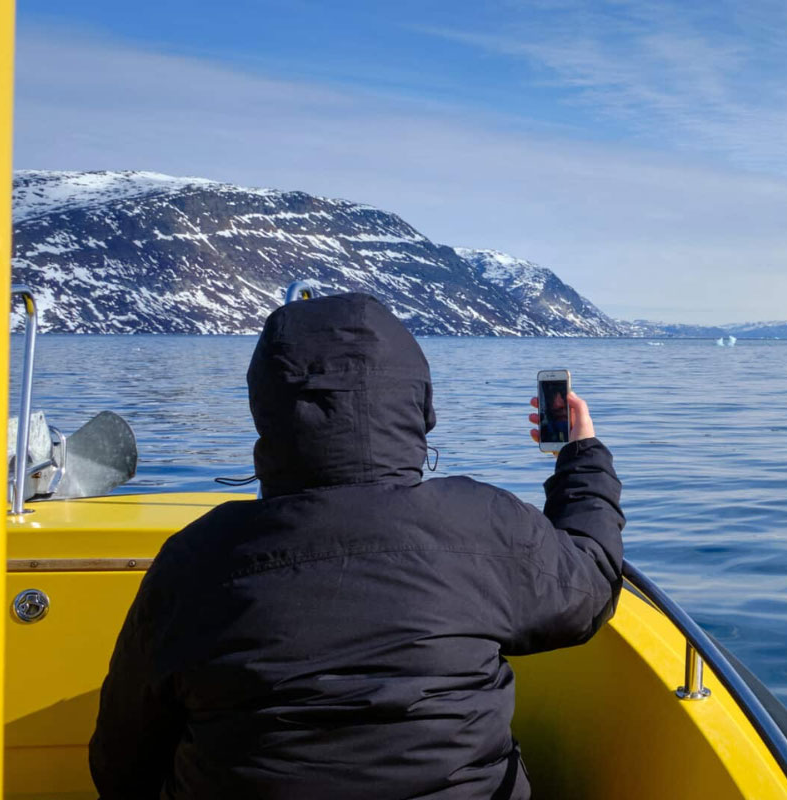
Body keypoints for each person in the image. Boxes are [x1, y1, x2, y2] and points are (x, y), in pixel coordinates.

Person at [89, 293, 623, 800]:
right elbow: (590, 586)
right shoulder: (486, 524)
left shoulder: (194, 560)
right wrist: (580, 454)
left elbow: (123, 758)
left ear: (268, 409)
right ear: (419, 404)